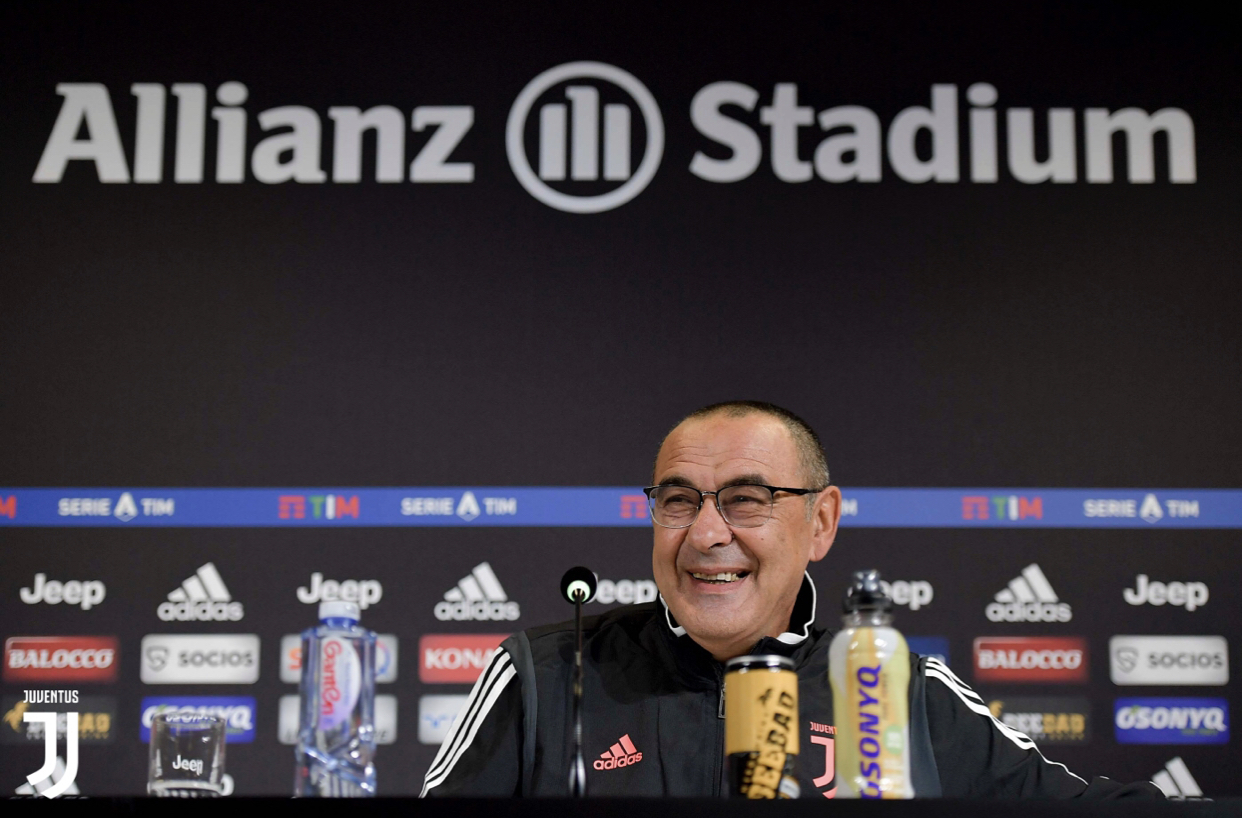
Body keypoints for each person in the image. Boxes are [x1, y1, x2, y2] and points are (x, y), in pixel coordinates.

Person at [421, 401, 1162, 798]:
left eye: (747, 500)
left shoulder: (896, 689)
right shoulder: (545, 675)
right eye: (678, 501)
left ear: (821, 522)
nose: (706, 533)